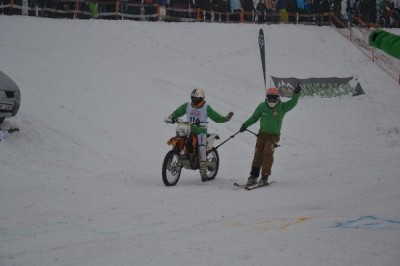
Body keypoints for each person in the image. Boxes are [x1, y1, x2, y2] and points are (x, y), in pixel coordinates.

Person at [239, 83, 301, 186]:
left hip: (273, 136)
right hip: (261, 135)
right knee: (258, 154)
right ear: (266, 98)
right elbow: (254, 117)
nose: (272, 100)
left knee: (267, 153)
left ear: (278, 97)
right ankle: (254, 176)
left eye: (274, 98)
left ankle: (265, 177)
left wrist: (296, 93)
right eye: (270, 98)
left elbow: (293, 103)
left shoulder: (282, 107)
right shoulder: (262, 106)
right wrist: (245, 125)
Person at [166, 88, 234, 182]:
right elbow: (178, 112)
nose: (194, 100)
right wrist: (172, 117)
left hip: (201, 131)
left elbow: (216, 117)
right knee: (178, 141)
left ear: (201, 99)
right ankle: (172, 161)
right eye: (193, 98)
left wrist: (226, 118)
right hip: (187, 130)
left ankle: (203, 171)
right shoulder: (187, 105)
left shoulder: (206, 107)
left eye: (196, 99)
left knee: (201, 147)